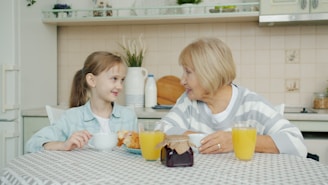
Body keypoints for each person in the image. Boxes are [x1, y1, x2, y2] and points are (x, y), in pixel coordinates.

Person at [160, 37, 307, 157]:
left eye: (188, 72)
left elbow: (296, 143)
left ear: (209, 73)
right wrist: (201, 138)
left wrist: (237, 141)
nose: (182, 80)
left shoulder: (251, 104)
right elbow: (161, 130)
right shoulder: (188, 102)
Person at [26, 51, 138, 153]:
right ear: (92, 80)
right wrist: (64, 145)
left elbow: (140, 152)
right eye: (114, 78)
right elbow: (32, 144)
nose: (120, 86)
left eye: (122, 80)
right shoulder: (72, 118)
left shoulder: (128, 117)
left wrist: (138, 144)